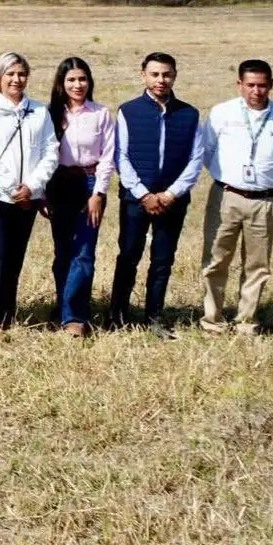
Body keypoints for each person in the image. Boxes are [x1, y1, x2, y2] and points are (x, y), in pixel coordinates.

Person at [198, 59, 273, 335]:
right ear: (239, 84)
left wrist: (264, 181)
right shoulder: (222, 113)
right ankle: (212, 319)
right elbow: (207, 152)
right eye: (251, 85)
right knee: (216, 259)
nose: (257, 91)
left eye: (262, 85)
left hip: (265, 201)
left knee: (257, 264)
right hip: (226, 196)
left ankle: (245, 320)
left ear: (271, 85)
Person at [111, 52, 204, 338]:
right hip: (136, 201)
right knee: (128, 256)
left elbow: (195, 158)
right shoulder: (128, 111)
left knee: (163, 259)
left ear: (175, 75)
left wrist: (170, 194)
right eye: (155, 74)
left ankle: (154, 315)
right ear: (143, 75)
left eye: (166, 74)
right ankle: (118, 316)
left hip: (172, 202)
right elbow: (120, 156)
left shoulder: (190, 115)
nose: (161, 80)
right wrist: (143, 194)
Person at [0, 52, 59, 335]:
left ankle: (8, 312)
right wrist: (11, 187)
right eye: (10, 74)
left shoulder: (39, 111)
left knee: (16, 255)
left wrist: (32, 186)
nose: (16, 79)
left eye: (21, 74)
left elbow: (50, 151)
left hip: (28, 197)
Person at [43, 57, 115, 338]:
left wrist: (98, 192)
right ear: (61, 83)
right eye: (71, 79)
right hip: (59, 184)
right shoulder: (50, 114)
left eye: (82, 79)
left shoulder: (100, 113)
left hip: (89, 184)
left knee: (84, 254)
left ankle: (75, 317)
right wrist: (42, 195)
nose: (77, 85)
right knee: (62, 253)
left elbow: (108, 157)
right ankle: (63, 306)